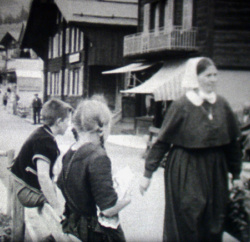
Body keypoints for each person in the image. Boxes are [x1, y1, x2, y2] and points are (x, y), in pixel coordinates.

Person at [139, 57, 243, 242]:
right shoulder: (181, 105)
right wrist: (148, 174)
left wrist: (235, 175)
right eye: (208, 75)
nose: (213, 80)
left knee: (214, 219)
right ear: (195, 78)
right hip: (187, 168)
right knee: (189, 216)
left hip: (215, 170)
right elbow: (162, 141)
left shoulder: (221, 105)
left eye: (215, 75)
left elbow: (232, 143)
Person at [57, 96, 131, 242]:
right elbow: (108, 209)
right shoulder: (98, 157)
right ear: (101, 129)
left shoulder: (70, 152)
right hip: (92, 233)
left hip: (73, 225)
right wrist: (126, 198)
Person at [10, 99, 73, 217]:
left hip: (22, 185)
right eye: (67, 121)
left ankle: (56, 229)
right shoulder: (45, 141)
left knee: (57, 191)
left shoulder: (43, 133)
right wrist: (57, 207)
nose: (68, 125)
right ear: (59, 122)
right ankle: (61, 230)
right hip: (25, 190)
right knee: (62, 202)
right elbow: (43, 177)